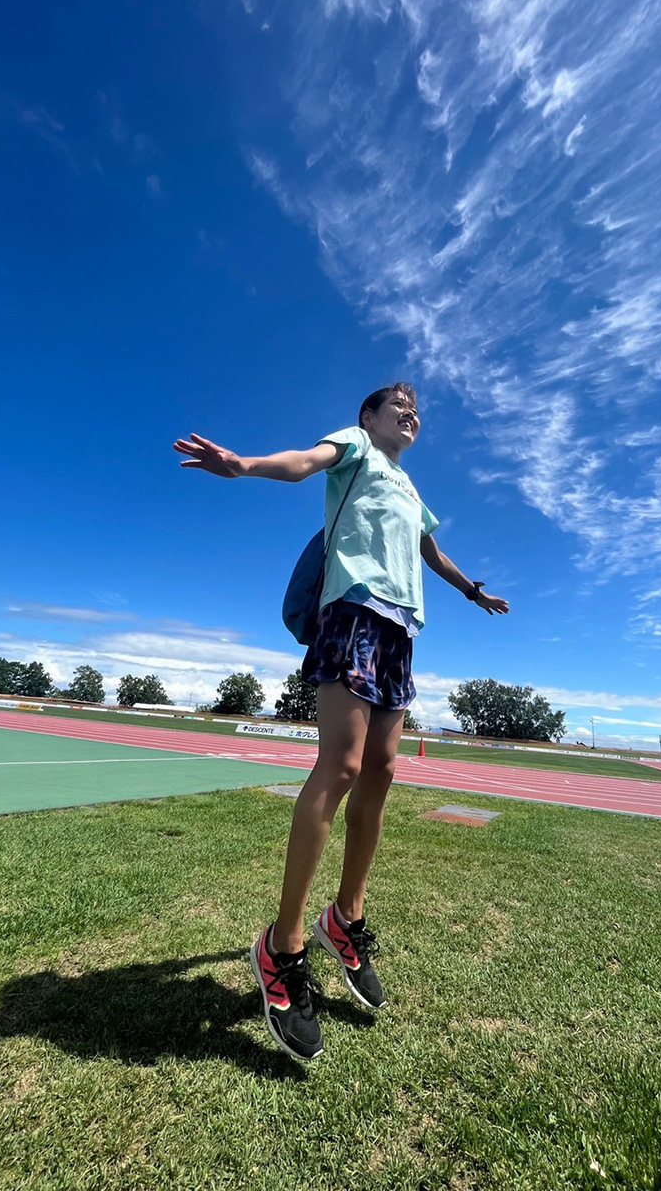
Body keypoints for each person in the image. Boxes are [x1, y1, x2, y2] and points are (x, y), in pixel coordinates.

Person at [174, 382, 509, 1060]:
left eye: (416, 410)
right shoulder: (355, 446)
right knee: (343, 765)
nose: (410, 414)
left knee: (382, 769)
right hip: (352, 609)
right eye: (398, 406)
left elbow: (429, 550)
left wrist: (472, 591)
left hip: (400, 628)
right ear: (368, 417)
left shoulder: (410, 488)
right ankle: (283, 944)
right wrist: (242, 465)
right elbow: (304, 461)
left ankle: (345, 917)